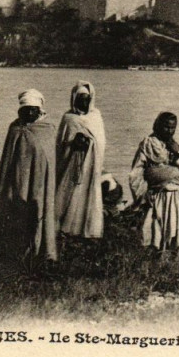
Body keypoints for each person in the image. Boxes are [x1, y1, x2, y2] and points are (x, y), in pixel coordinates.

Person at [0, 89, 58, 267]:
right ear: (19, 110)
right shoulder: (14, 129)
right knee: (16, 216)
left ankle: (39, 254)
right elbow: (7, 161)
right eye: (25, 109)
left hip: (39, 184)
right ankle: (14, 255)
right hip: (16, 183)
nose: (29, 112)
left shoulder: (48, 130)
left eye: (33, 109)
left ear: (39, 111)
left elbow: (49, 162)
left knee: (38, 215)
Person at [129, 112, 179, 250]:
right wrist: (143, 193)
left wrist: (178, 154)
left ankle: (172, 264)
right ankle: (153, 264)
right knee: (154, 235)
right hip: (156, 196)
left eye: (173, 128)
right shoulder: (148, 144)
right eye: (166, 127)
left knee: (175, 236)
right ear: (158, 125)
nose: (170, 131)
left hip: (176, 196)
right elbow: (136, 173)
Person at [55, 81, 106, 239]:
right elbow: (60, 145)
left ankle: (88, 232)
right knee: (68, 194)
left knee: (88, 196)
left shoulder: (95, 116)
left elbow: (101, 142)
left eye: (87, 98)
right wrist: (73, 143)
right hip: (71, 167)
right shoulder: (68, 118)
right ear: (74, 99)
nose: (84, 102)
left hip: (90, 167)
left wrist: (90, 143)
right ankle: (65, 230)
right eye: (80, 98)